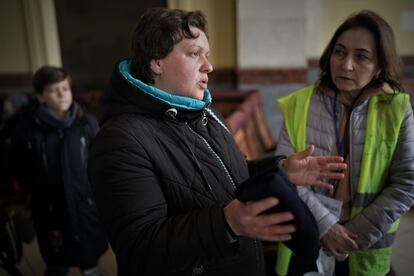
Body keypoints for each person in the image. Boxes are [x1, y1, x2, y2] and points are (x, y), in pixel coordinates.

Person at [88, 7, 347, 276]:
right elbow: (140, 248)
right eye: (193, 53)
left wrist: (279, 171)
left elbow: (231, 174)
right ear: (156, 62)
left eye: (207, 55)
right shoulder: (120, 140)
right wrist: (226, 223)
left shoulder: (202, 111)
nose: (208, 65)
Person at [275, 10, 414, 276]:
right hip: (306, 233)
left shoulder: (397, 109)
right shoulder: (299, 103)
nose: (345, 64)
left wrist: (351, 236)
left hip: (365, 243)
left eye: (361, 56)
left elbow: (406, 183)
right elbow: (284, 172)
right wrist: (326, 226)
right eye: (339, 52)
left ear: (380, 67)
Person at [8, 66, 108, 276]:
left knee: (90, 263)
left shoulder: (86, 124)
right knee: (56, 263)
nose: (62, 94)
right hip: (50, 211)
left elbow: (102, 162)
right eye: (54, 90)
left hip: (86, 208)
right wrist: (33, 194)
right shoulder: (28, 130)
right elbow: (18, 167)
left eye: (65, 88)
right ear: (40, 96)